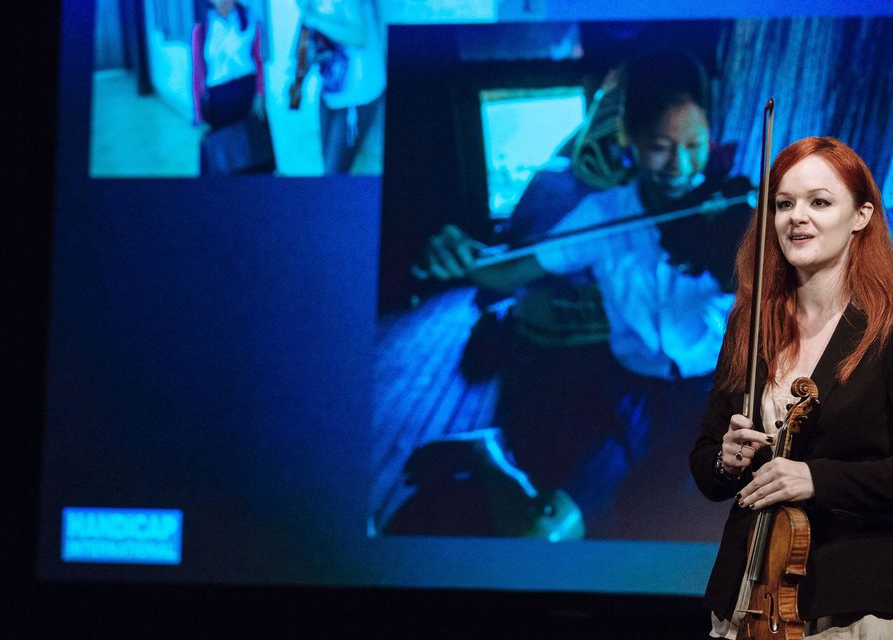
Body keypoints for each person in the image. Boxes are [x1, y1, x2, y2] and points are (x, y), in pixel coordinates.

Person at [399, 49, 752, 539]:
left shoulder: (735, 211)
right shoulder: (604, 213)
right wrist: (464, 255)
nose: (681, 166)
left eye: (695, 144)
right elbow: (508, 272)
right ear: (629, 138)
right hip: (628, 392)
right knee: (541, 529)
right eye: (660, 146)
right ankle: (488, 451)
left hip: (715, 396)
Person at [691, 136, 893, 640]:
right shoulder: (749, 324)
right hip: (750, 605)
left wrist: (815, 479)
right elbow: (707, 463)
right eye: (784, 205)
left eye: (819, 202)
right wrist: (725, 459)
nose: (797, 219)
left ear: (861, 215)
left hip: (849, 603)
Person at [288, 0, 386, 174]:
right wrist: (296, 81)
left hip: (357, 95)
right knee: (328, 166)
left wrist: (314, 19)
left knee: (334, 172)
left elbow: (359, 36)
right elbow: (306, 37)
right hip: (330, 93)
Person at [190, 0, 274, 174]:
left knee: (255, 150)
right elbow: (197, 74)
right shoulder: (203, 28)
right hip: (219, 99)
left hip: (247, 93)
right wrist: (199, 115)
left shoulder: (250, 20)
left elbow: (258, 61)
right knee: (224, 158)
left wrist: (260, 94)